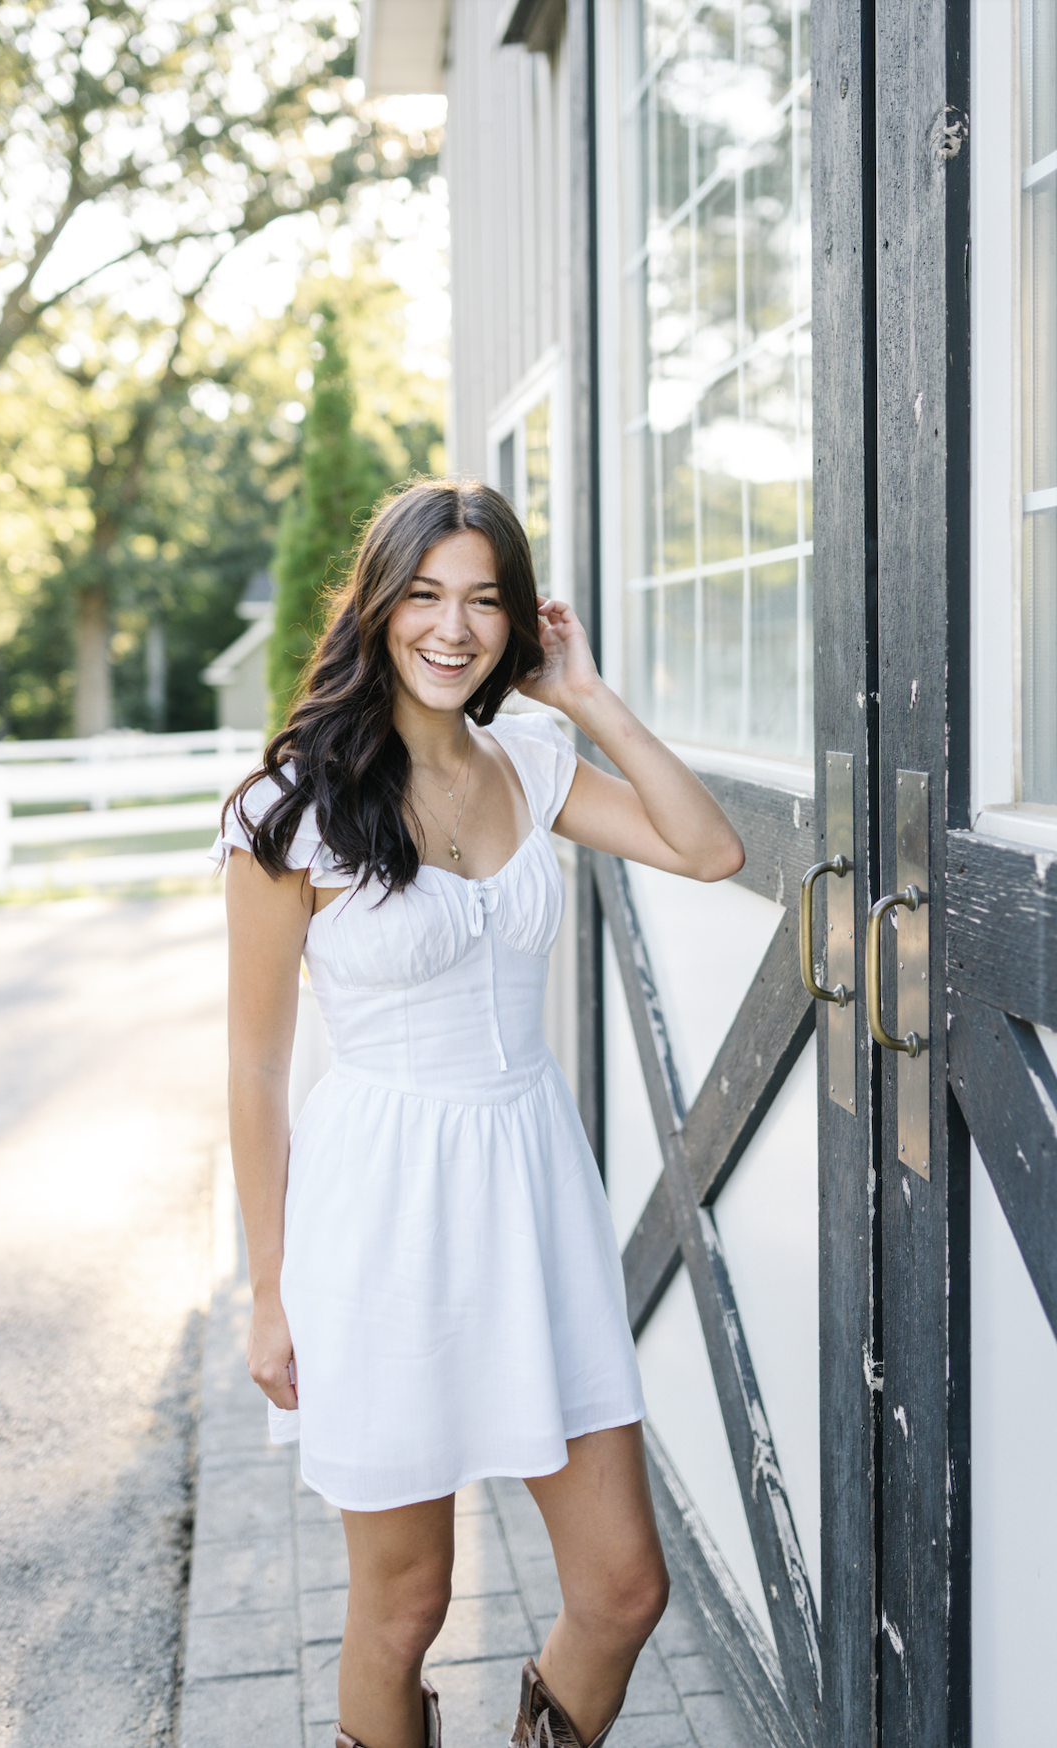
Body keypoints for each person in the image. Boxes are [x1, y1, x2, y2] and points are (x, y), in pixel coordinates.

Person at [214, 478, 744, 1748]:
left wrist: (589, 695)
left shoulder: (535, 760)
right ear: (380, 604)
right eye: (426, 595)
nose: (452, 628)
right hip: (380, 1215)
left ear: (516, 623)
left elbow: (706, 847)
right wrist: (268, 1288)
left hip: (535, 1194)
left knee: (622, 1586)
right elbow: (254, 1065)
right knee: (405, 1609)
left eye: (484, 601)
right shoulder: (285, 810)